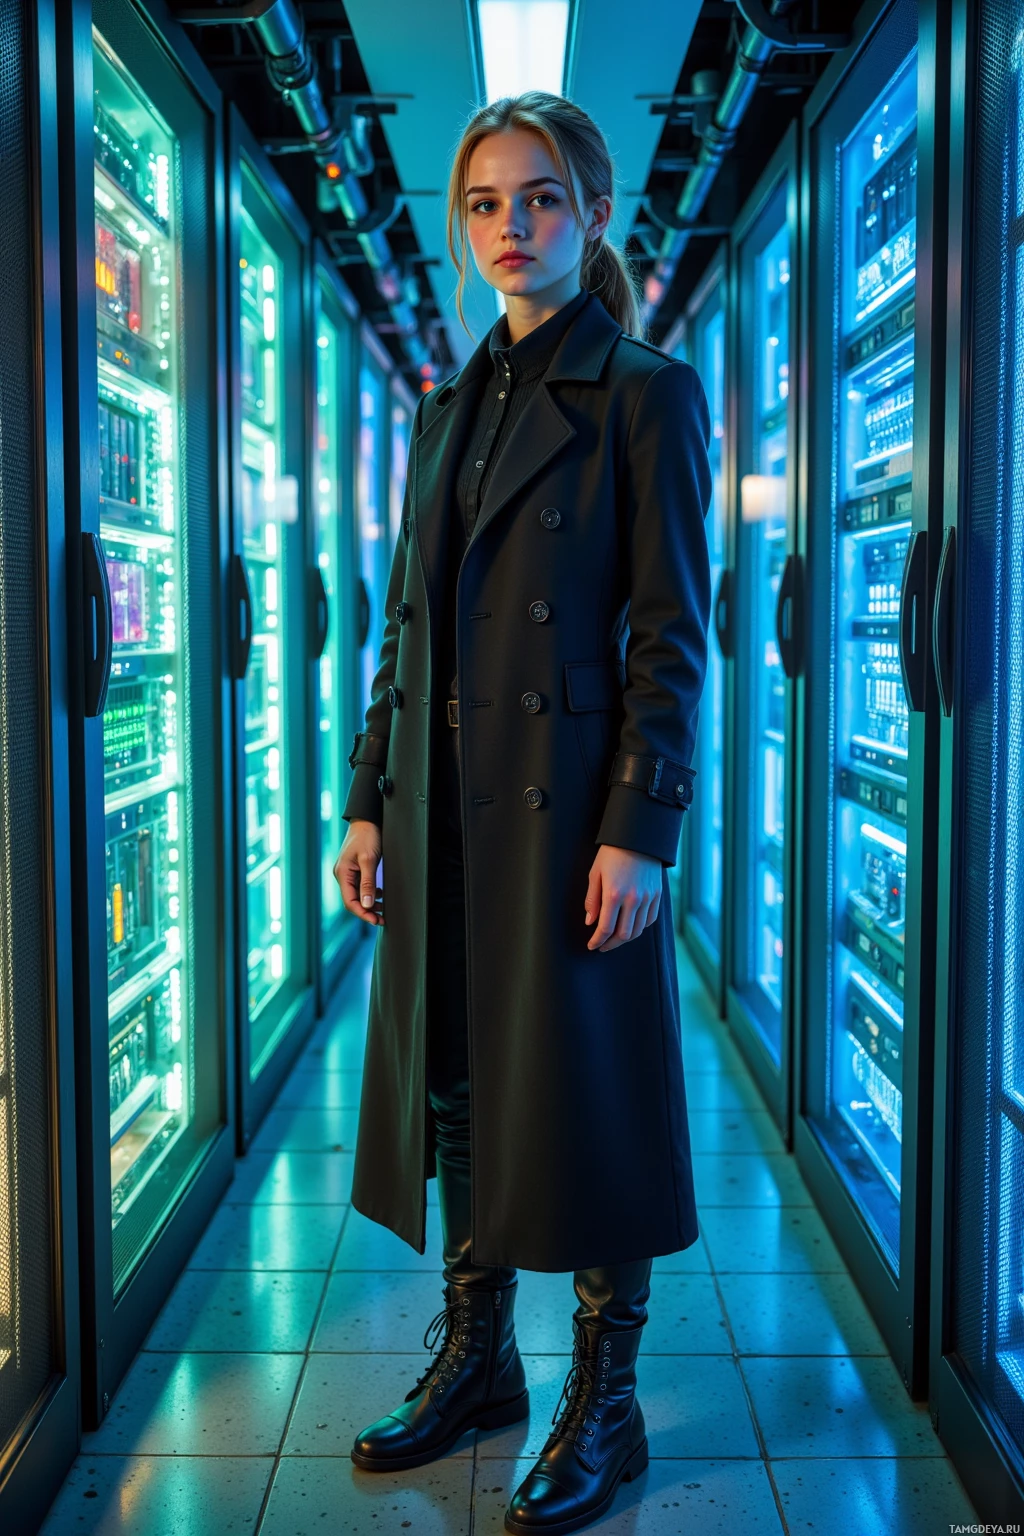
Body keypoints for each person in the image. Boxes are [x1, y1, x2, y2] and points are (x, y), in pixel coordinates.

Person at [333, 89, 712, 1536]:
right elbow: (404, 624)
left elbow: (672, 636)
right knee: (463, 1087)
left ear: (592, 213)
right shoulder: (442, 408)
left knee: (593, 1099)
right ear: (460, 222)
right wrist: (367, 799)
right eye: (486, 204)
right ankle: (480, 1359)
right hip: (439, 809)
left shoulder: (645, 392)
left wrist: (643, 828)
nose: (512, 229)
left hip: (568, 823)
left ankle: (604, 1400)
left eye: (540, 199)